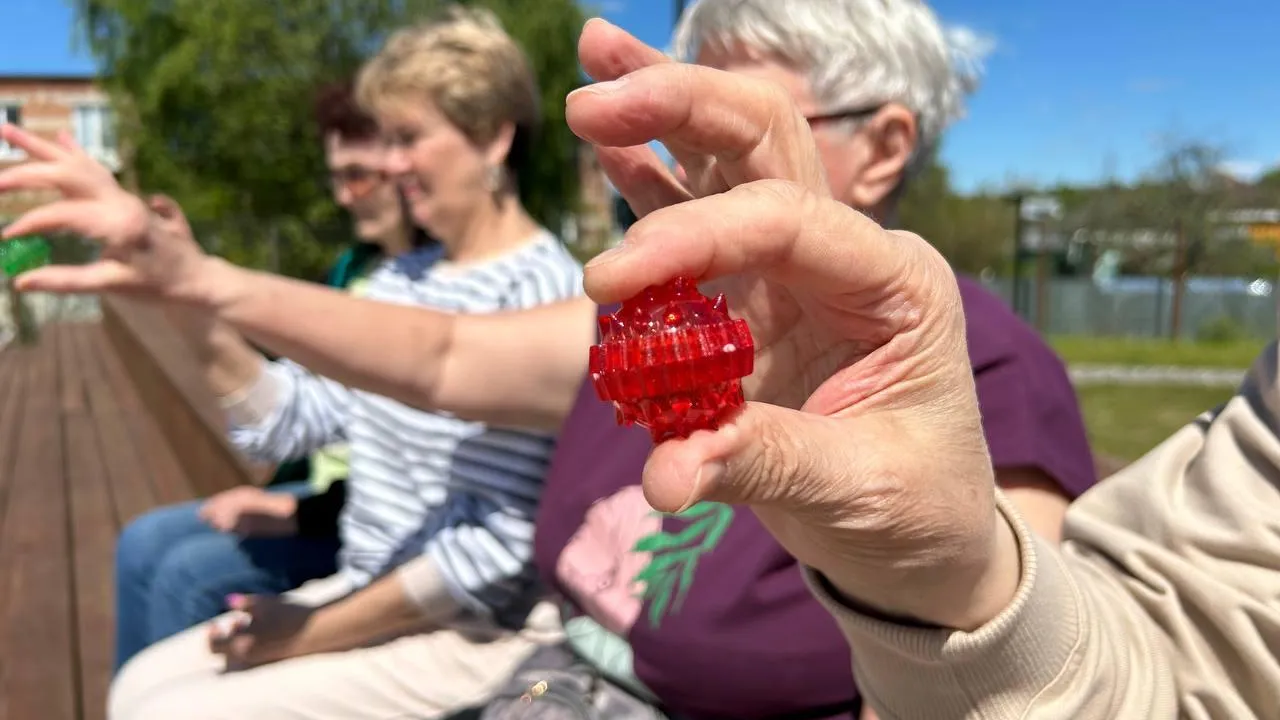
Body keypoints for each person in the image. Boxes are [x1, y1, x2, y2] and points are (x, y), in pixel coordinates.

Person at [7, 13, 1278, 720]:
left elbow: (1009, 659)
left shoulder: (995, 379)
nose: (676, 158)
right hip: (532, 659)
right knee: (155, 688)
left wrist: (946, 582)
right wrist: (197, 279)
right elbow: (441, 353)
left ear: (881, 146)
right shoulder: (665, 313)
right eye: (669, 112)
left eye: (732, 118)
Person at [1, 8, 582, 719]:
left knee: (161, 708)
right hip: (367, 592)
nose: (391, 165)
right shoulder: (405, 276)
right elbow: (287, 423)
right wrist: (181, 305)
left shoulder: (548, 292)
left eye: (409, 139)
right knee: (137, 688)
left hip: (467, 635)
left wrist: (308, 634)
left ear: (494, 136)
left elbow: (493, 558)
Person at [110, 78, 431, 671]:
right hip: (327, 493)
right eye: (334, 176)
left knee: (184, 576)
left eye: (356, 175)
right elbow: (301, 401)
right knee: (142, 541)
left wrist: (292, 513)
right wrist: (188, 282)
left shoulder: (439, 290)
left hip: (362, 521)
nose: (342, 196)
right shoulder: (356, 268)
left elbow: (419, 478)